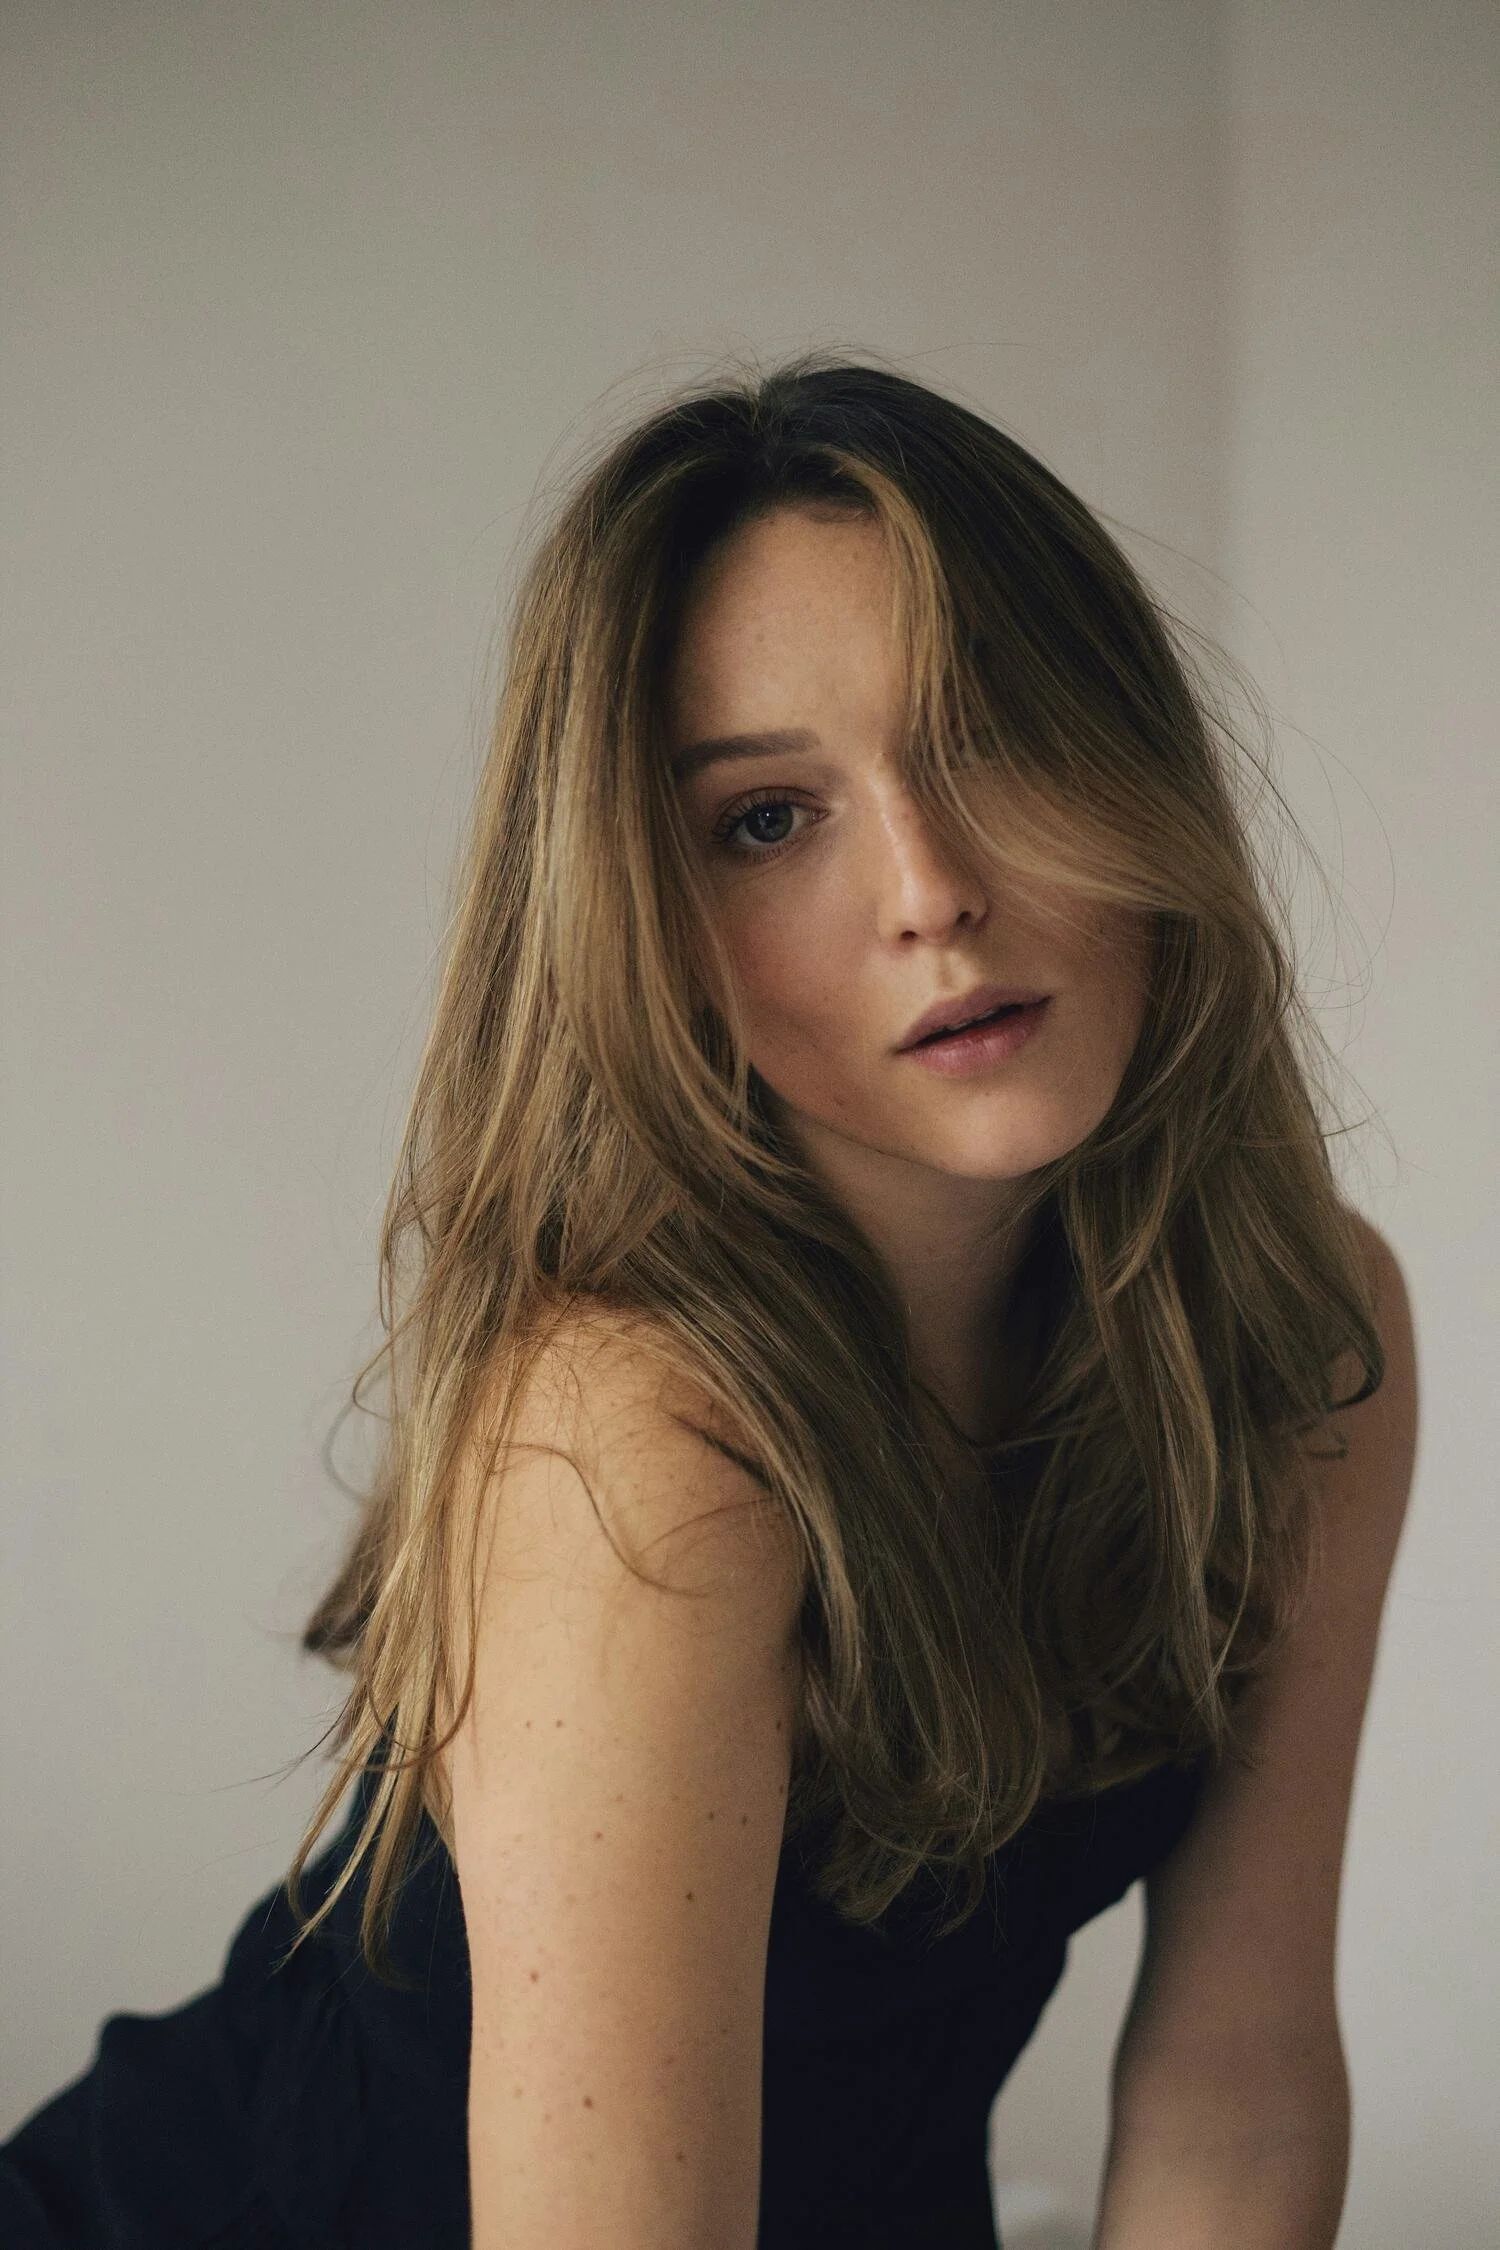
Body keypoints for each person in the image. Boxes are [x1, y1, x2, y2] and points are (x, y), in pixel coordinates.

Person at [1, 358, 1418, 2250]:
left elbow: (1232, 2095)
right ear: (645, 918)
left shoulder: (1301, 1327)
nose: (934, 889)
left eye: (987, 734)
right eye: (767, 819)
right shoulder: (646, 1435)